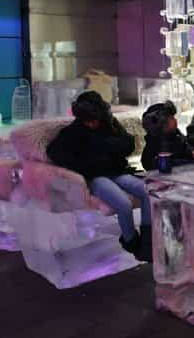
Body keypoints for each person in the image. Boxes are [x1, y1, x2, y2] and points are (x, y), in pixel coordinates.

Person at [46, 91, 152, 262]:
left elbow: (128, 144)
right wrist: (83, 167)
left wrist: (104, 145)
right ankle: (131, 242)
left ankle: (148, 242)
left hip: (117, 171)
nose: (91, 124)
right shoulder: (73, 131)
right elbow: (54, 152)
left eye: (93, 120)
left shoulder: (110, 124)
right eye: (87, 121)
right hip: (95, 176)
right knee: (123, 204)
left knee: (147, 192)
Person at [141, 101, 194, 171]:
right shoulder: (156, 143)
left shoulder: (176, 135)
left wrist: (192, 153)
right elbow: (148, 164)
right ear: (161, 123)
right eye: (171, 118)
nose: (175, 120)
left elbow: (186, 148)